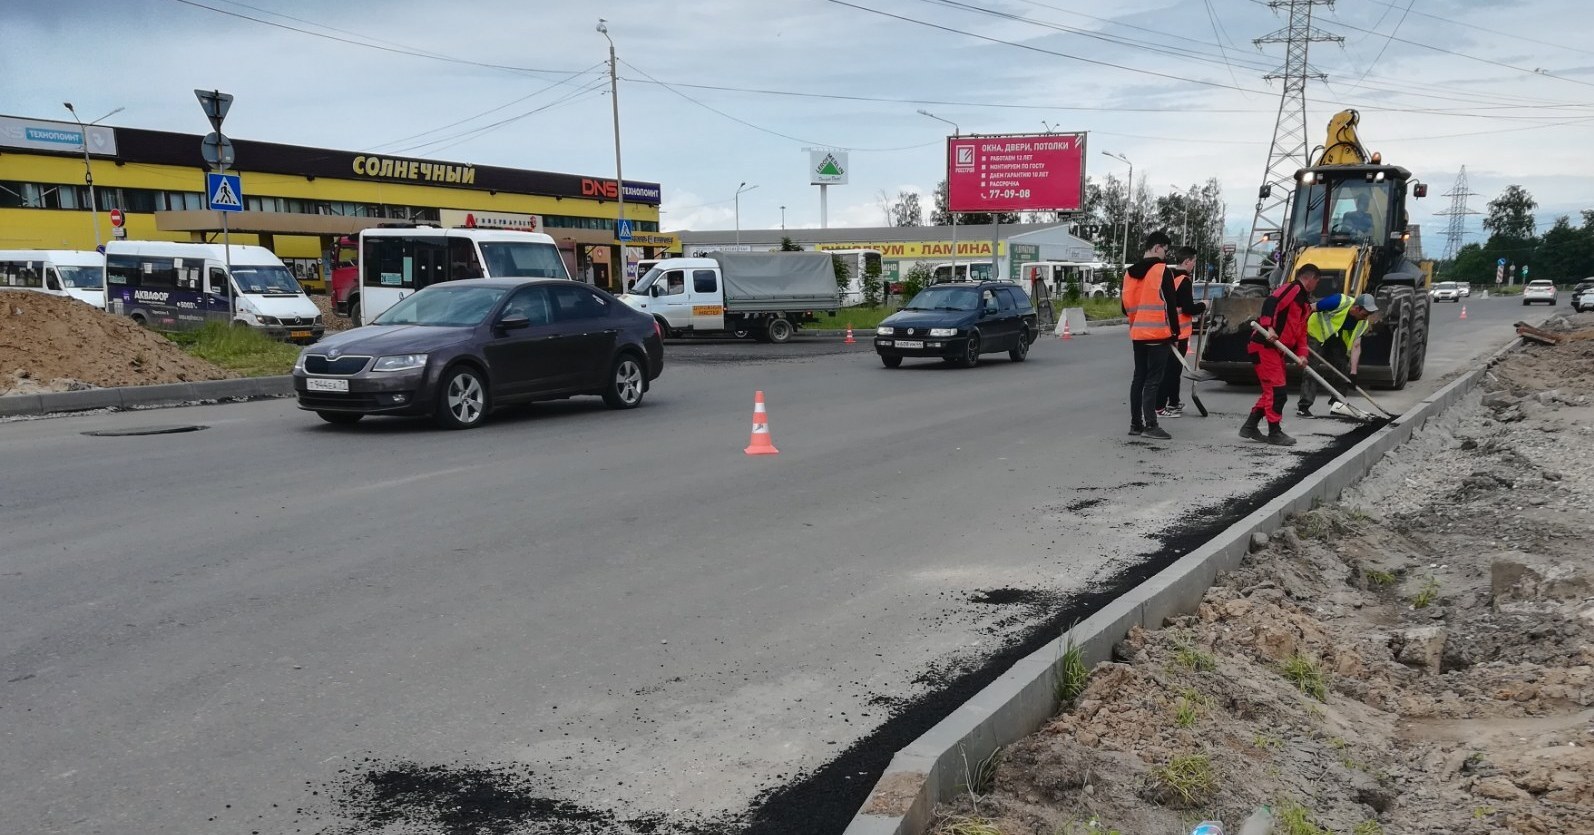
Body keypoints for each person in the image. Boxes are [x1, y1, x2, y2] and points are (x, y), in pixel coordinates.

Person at [1123, 232, 1204, 440]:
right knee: (1153, 380)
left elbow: (1125, 307)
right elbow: (1169, 304)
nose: (1166, 255)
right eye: (1165, 250)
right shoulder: (1161, 271)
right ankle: (1151, 425)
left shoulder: (1129, 273)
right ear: (1157, 247)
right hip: (1158, 334)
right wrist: (1175, 333)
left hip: (1137, 334)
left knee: (1138, 378)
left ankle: (1136, 423)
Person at [1241, 263, 1321, 446]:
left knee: (1273, 391)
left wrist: (1302, 355)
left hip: (1276, 351)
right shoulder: (1292, 289)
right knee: (1278, 391)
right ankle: (1274, 432)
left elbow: (1301, 333)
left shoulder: (1304, 304)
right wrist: (1269, 327)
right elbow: (1271, 302)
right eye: (1317, 282)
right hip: (1264, 346)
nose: (1316, 286)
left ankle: (1250, 426)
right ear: (1310, 278)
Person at [1298, 292, 1378, 417]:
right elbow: (1311, 308)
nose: (1366, 317)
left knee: (1342, 367)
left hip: (1335, 337)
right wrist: (1298, 331)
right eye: (1365, 314)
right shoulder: (1339, 301)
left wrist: (1353, 373)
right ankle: (1304, 406)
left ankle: (1337, 404)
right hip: (1316, 333)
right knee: (1311, 369)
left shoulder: (1363, 323)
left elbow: (1356, 346)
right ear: (1356, 308)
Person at [1157, 247, 1206, 419]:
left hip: (1169, 330)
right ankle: (1162, 405)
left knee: (1172, 369)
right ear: (1186, 261)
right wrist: (1204, 305)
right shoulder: (1184, 281)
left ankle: (1174, 401)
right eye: (1193, 261)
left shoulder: (1169, 276)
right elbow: (1188, 308)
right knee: (1172, 370)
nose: (1193, 265)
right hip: (1179, 333)